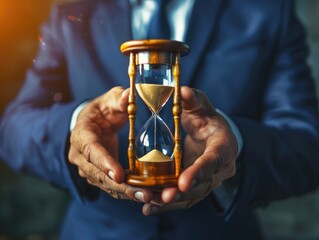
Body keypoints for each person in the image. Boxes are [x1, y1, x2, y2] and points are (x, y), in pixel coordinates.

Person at [1, 0, 319, 239]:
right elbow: (13, 127)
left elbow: (307, 144)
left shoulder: (266, 11)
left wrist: (235, 142)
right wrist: (74, 126)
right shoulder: (74, 11)